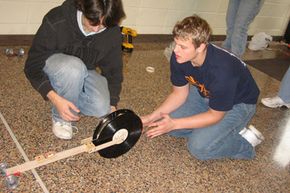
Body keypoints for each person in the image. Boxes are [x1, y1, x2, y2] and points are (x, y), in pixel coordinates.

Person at [141, 15, 264, 160]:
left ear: (201, 46)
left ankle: (245, 143)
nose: (176, 51)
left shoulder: (223, 71)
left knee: (199, 147)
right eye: (176, 43)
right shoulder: (179, 57)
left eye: (183, 47)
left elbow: (215, 115)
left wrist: (175, 123)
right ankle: (214, 131)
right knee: (166, 125)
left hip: (238, 104)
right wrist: (151, 117)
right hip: (204, 93)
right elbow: (178, 94)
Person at [24, 0, 126, 140]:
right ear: (82, 8)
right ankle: (61, 118)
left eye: (103, 25)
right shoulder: (57, 19)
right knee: (73, 68)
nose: (96, 29)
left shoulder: (112, 32)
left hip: (84, 70)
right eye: (92, 22)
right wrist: (55, 98)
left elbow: (113, 72)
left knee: (102, 108)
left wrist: (113, 104)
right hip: (56, 66)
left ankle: (70, 94)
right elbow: (32, 66)